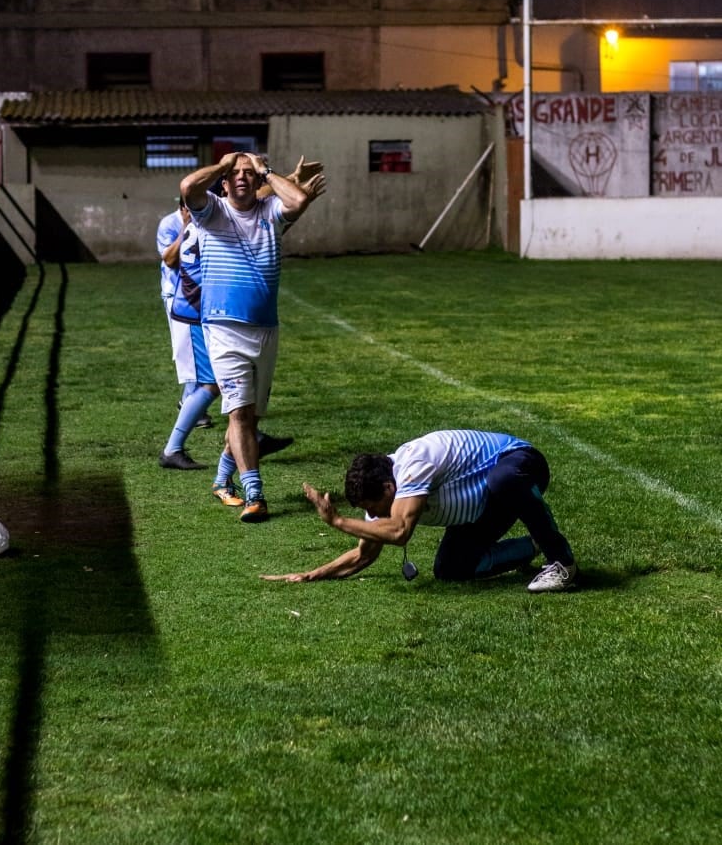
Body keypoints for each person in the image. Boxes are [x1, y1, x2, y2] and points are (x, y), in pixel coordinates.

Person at [181, 150, 325, 523]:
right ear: (225, 181)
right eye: (235, 173)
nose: (242, 177)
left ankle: (220, 479)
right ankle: (255, 494)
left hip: (265, 327)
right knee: (241, 413)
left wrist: (268, 171)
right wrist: (226, 164)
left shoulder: (270, 212)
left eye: (249, 173)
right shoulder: (212, 211)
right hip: (224, 327)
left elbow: (298, 200)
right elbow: (187, 186)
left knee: (249, 417)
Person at [260, 429, 578, 592]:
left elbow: (399, 532)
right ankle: (531, 546)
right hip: (484, 506)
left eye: (375, 509)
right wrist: (310, 575)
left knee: (504, 479)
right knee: (450, 568)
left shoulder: (414, 463)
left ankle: (562, 562)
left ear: (389, 488)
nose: (376, 517)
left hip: (522, 465)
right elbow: (364, 556)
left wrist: (338, 521)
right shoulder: (384, 495)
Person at [157, 196, 213, 429]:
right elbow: (169, 260)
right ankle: (190, 405)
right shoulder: (169, 224)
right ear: (183, 209)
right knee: (190, 355)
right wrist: (185, 228)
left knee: (205, 353)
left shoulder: (207, 221)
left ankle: (190, 402)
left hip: (200, 298)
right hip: (177, 297)